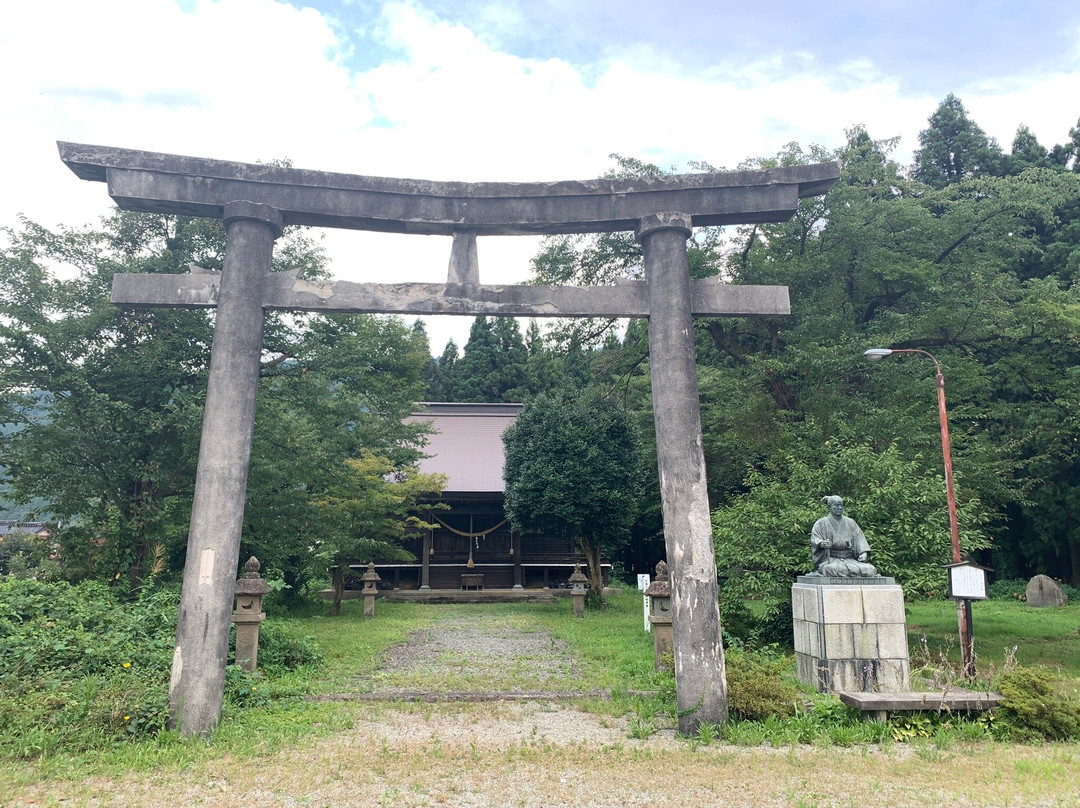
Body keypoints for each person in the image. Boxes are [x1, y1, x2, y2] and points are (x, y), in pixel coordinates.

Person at [808, 495, 878, 577]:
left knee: (870, 569)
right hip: (831, 559)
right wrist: (822, 544)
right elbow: (815, 539)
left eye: (841, 505)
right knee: (829, 570)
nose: (840, 508)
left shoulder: (850, 522)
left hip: (850, 560)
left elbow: (859, 538)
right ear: (829, 507)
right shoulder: (821, 523)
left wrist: (863, 553)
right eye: (836, 505)